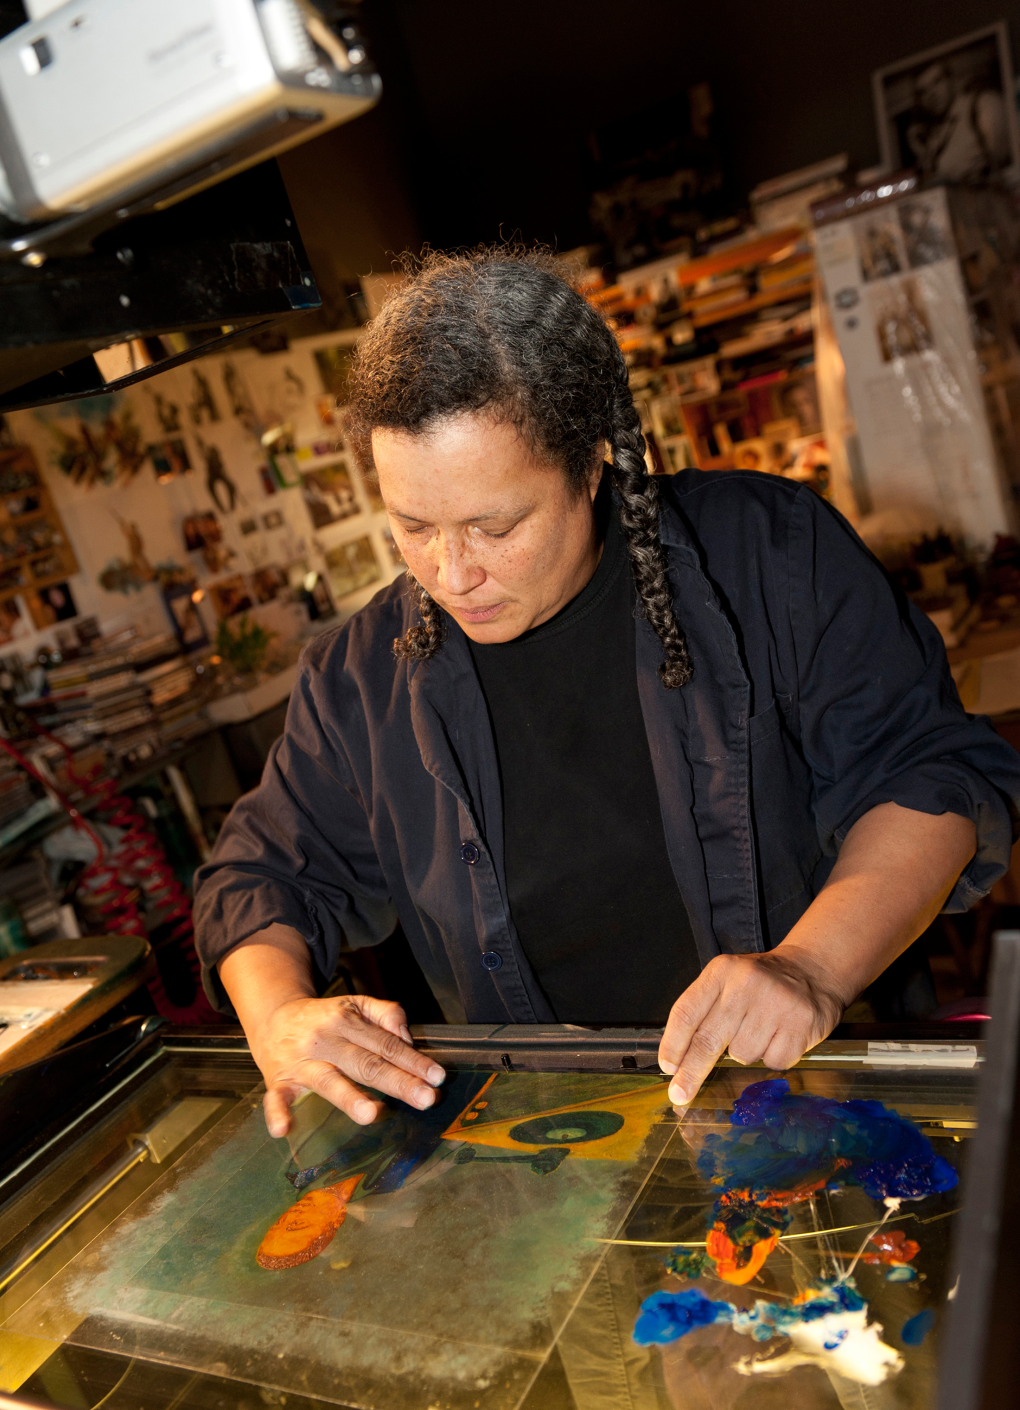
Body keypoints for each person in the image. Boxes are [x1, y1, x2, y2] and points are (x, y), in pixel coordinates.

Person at [193, 247, 1020, 1138]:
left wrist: (810, 968)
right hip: (561, 1161)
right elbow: (259, 873)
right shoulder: (359, 677)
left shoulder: (770, 554)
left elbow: (932, 777)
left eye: (495, 524)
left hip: (818, 1112)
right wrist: (279, 1016)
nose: (451, 571)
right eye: (414, 526)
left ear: (592, 465)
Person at [905, 57, 1010, 181]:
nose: (931, 94)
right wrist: (921, 151)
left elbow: (1006, 163)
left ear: (951, 80)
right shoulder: (935, 132)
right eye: (923, 92)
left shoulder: (982, 104)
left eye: (937, 81)